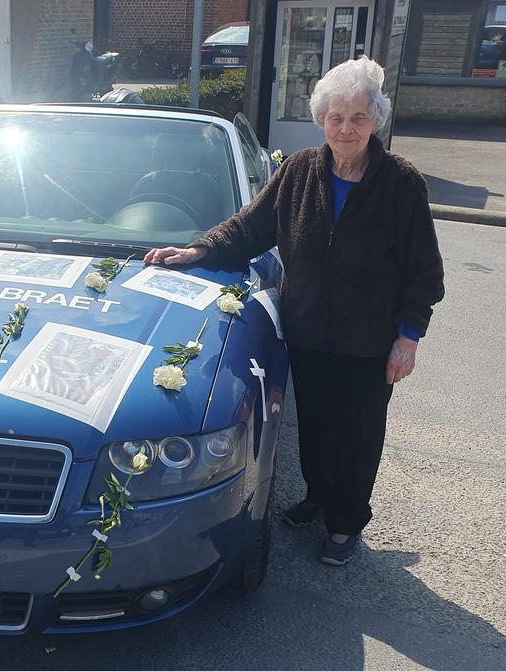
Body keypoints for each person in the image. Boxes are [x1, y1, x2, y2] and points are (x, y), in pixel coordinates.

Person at [144, 56, 444, 566]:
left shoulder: (401, 183)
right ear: (322, 119)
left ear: (376, 120)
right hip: (308, 332)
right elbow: (249, 226)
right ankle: (318, 497)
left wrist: (408, 336)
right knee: (318, 425)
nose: (346, 128)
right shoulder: (300, 171)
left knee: (358, 433)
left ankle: (347, 522)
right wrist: (198, 250)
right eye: (336, 117)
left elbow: (425, 273)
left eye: (358, 118)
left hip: (368, 341)